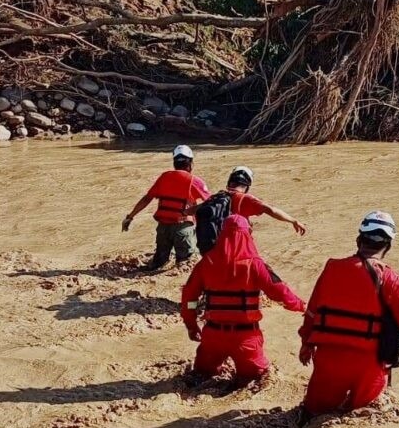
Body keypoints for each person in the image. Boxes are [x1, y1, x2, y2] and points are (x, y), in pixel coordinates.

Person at [298, 210, 399, 418]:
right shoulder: (389, 277)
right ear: (388, 246)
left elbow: (312, 313)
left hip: (328, 359)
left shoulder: (331, 268)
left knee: (312, 414)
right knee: (363, 416)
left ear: (359, 240)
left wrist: (306, 344)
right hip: (369, 365)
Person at [180, 214, 306, 383]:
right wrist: (301, 306)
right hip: (246, 338)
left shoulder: (206, 262)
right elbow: (280, 293)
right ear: (248, 234)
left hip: (212, 336)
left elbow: (189, 298)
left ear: (222, 234)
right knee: (256, 379)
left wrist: (191, 324)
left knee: (202, 376)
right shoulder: (255, 264)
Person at [122, 145, 210, 270]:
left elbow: (147, 199)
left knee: (158, 263)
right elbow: (212, 202)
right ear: (190, 164)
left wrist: (130, 217)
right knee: (185, 265)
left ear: (174, 163)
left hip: (163, 228)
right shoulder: (194, 181)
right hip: (182, 228)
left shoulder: (164, 178)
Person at [223, 165, 306, 235]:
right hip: (237, 245)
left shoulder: (218, 197)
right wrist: (293, 221)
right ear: (247, 187)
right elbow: (271, 210)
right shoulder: (245, 199)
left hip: (217, 246)